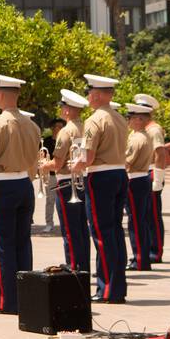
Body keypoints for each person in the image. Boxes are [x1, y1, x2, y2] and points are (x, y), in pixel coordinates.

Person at [0, 74, 40, 315]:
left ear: (1, 95)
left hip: (3, 186)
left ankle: (7, 301)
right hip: (24, 183)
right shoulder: (32, 125)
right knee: (23, 243)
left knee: (3, 246)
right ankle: (25, 297)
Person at [71, 74, 129, 305]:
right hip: (119, 174)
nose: (88, 97)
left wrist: (76, 164)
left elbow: (89, 155)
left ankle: (107, 289)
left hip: (101, 176)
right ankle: (117, 287)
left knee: (102, 234)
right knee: (114, 232)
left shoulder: (95, 120)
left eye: (89, 93)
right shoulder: (120, 118)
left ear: (95, 94)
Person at [39, 90, 89, 271]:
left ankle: (74, 265)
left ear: (67, 110)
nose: (61, 110)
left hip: (66, 182)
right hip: (81, 180)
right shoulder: (85, 127)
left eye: (62, 107)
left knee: (70, 230)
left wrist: (44, 165)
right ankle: (83, 265)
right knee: (82, 229)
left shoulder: (66, 131)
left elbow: (58, 163)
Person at [124, 103, 157, 272]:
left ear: (138, 120)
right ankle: (141, 258)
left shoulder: (137, 138)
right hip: (141, 179)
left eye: (130, 118)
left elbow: (127, 162)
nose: (128, 121)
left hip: (135, 181)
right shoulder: (143, 136)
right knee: (140, 221)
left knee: (136, 223)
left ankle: (140, 259)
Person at [134, 94, 167, 262]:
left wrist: (158, 179)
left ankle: (156, 250)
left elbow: (160, 153)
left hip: (152, 171)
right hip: (143, 171)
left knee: (153, 215)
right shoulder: (142, 130)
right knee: (145, 215)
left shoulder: (153, 130)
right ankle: (148, 249)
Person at [42, 118, 63, 230]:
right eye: (58, 127)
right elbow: (42, 156)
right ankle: (49, 223)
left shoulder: (65, 139)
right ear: (52, 128)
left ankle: (64, 222)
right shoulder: (46, 141)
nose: (60, 129)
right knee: (50, 200)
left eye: (61, 127)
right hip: (51, 175)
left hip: (63, 174)